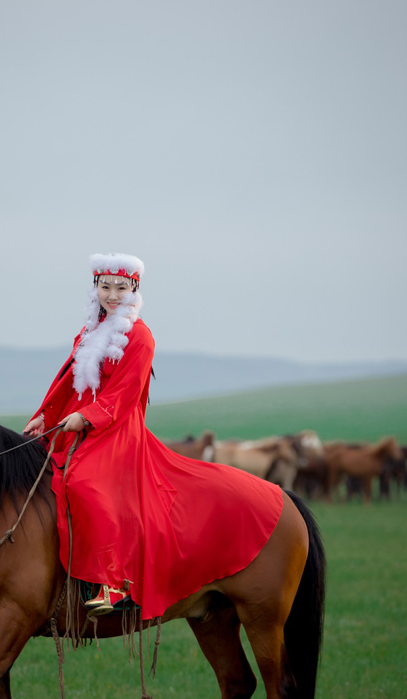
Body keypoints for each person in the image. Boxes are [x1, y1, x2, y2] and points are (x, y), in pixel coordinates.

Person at [24, 253, 284, 619]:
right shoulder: (87, 333)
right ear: (95, 288)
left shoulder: (141, 337)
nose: (112, 295)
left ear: (134, 289)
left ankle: (113, 584)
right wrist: (44, 415)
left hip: (117, 428)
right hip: (81, 425)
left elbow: (126, 392)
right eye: (105, 287)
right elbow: (70, 381)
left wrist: (87, 417)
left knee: (85, 483)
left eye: (121, 288)